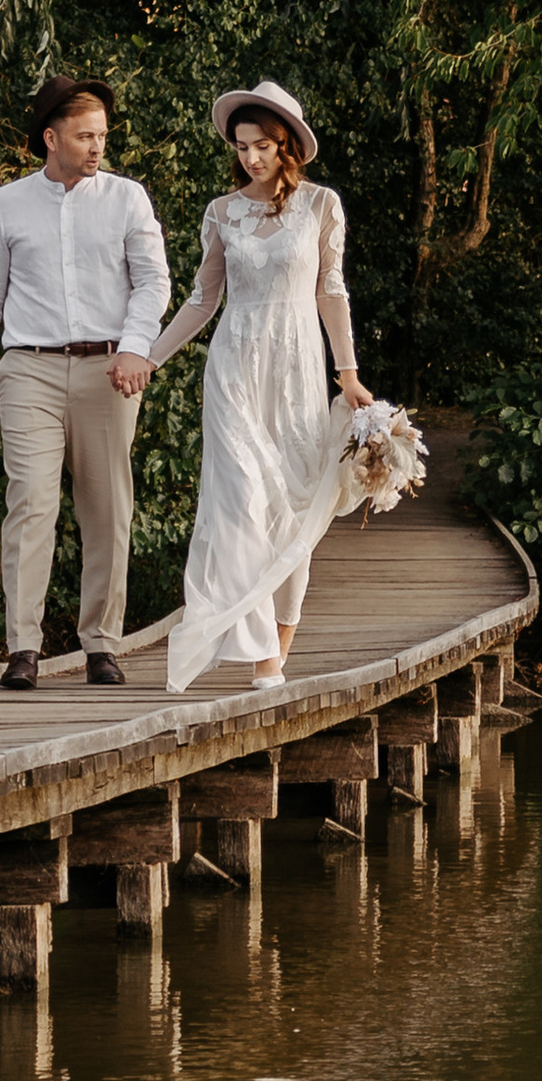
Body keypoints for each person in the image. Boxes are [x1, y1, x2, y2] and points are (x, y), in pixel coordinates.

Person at [146, 79, 376, 695]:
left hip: (299, 366)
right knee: (241, 502)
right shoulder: (222, 213)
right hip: (235, 369)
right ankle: (251, 655)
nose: (250, 157)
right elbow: (202, 300)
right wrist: (150, 358)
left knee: (295, 504)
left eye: (263, 147)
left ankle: (277, 648)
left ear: (287, 148)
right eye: (243, 146)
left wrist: (347, 374)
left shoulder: (322, 206)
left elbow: (332, 291)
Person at [0, 75, 171, 690]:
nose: (98, 145)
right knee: (31, 504)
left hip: (109, 370)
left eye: (102, 134)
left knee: (108, 509)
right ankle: (23, 648)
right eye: (84, 135)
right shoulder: (6, 205)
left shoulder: (128, 199)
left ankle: (101, 644)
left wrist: (135, 349)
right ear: (50, 138)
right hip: (29, 368)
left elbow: (154, 283)